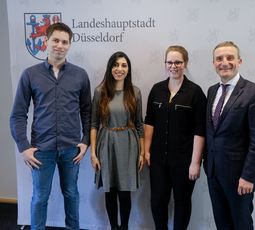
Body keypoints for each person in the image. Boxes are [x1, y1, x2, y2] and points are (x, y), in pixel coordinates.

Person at [10, 22, 91, 230]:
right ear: (46, 41)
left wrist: (85, 141)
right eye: (56, 40)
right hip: (41, 150)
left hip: (71, 149)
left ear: (69, 45)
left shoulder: (80, 75)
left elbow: (87, 111)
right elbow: (18, 114)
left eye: (65, 42)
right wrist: (24, 147)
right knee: (40, 197)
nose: (60, 45)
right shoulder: (30, 74)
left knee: (71, 193)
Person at [204, 41, 255, 230]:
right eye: (219, 59)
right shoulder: (212, 91)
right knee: (222, 223)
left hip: (241, 177)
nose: (224, 62)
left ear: (239, 61)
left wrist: (249, 176)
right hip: (214, 172)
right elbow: (212, 132)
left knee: (241, 224)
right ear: (214, 63)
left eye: (230, 58)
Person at [144, 45, 207, 230]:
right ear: (165, 64)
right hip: (157, 159)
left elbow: (200, 129)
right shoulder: (156, 89)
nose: (174, 66)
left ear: (185, 64)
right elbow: (149, 122)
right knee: (157, 201)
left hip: (184, 161)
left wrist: (196, 162)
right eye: (170, 62)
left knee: (182, 202)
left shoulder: (195, 92)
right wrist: (146, 151)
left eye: (178, 62)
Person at [90, 51, 144, 230]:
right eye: (116, 65)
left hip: (129, 145)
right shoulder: (100, 91)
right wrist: (93, 154)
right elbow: (94, 124)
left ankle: (125, 227)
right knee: (110, 190)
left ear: (128, 69)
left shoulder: (135, 92)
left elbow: (139, 125)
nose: (119, 69)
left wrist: (142, 153)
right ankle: (114, 227)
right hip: (106, 144)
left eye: (124, 65)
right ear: (110, 68)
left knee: (124, 191)